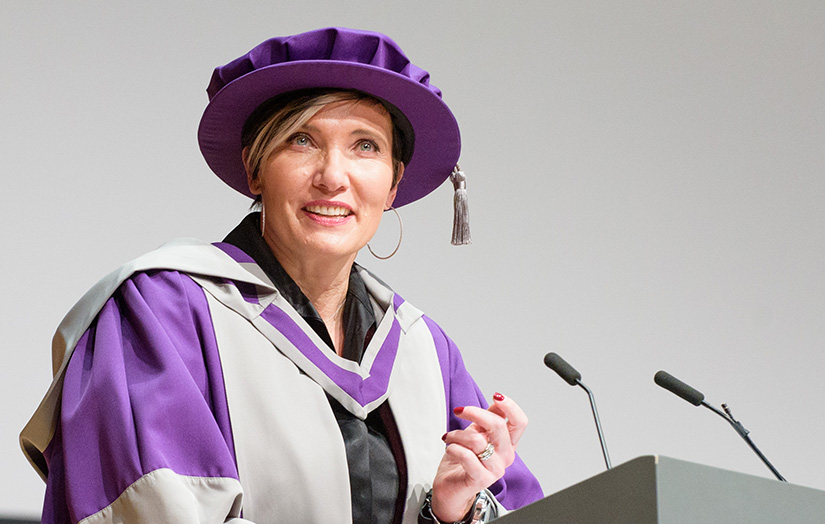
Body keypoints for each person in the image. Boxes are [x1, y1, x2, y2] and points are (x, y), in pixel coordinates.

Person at [20, 27, 543, 524]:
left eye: (366, 146)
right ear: (254, 168)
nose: (333, 177)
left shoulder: (425, 350)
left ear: (392, 184)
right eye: (301, 140)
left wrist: (452, 510)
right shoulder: (160, 311)